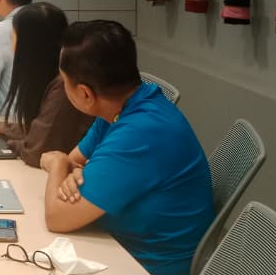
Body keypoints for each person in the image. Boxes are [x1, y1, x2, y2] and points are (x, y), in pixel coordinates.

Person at [38, 20, 214, 275]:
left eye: (64, 81)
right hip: (120, 244)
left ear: (85, 94)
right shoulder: (122, 105)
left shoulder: (140, 133)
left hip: (146, 265)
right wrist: (71, 167)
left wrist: (56, 163)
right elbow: (75, 161)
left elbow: (57, 217)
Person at [0, 2, 93, 167]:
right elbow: (39, 128)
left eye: (13, 36)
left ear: (28, 44)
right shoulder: (52, 75)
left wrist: (6, 143)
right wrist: (0, 128)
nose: (11, 43)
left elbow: (37, 152)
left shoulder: (63, 87)